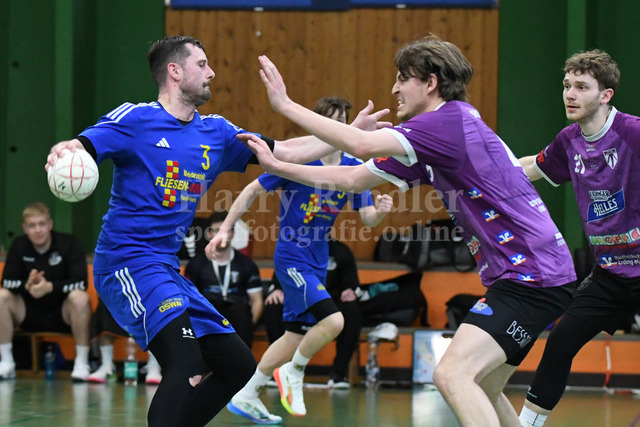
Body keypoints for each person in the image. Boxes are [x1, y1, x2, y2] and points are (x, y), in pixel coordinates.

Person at [44, 35, 389, 426]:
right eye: (202, 64)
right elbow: (84, 145)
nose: (211, 72)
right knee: (186, 362)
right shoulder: (135, 120)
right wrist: (67, 149)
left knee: (236, 365)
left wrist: (348, 133)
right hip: (128, 263)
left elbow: (285, 153)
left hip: (167, 270)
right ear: (175, 71)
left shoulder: (218, 132)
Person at [240, 35, 579, 426]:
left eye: (403, 78)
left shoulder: (444, 123)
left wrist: (285, 105)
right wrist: (279, 168)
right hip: (537, 274)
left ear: (431, 83)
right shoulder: (436, 138)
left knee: (452, 374)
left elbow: (360, 144)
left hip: (532, 275)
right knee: (483, 386)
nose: (394, 88)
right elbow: (353, 178)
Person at [210, 95, 393, 423]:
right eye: (329, 120)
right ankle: (294, 371)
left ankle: (247, 394)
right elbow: (251, 190)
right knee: (334, 321)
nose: (336, 127)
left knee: (294, 335)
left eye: (342, 121)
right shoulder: (299, 162)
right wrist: (225, 228)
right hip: (292, 257)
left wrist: (379, 212)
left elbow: (367, 217)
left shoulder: (353, 167)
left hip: (318, 260)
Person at [515, 50, 640, 427]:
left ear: (606, 95)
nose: (570, 94)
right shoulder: (569, 141)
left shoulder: (632, 133)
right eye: (567, 85)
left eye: (582, 87)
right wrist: (480, 170)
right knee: (560, 343)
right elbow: (532, 168)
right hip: (611, 275)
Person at [0, 202, 92, 381]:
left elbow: (81, 282)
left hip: (62, 313)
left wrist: (50, 287)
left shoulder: (69, 243)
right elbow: (6, 281)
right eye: (32, 226)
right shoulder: (19, 245)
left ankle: (82, 363)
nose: (38, 230)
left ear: (50, 224)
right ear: (25, 228)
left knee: (80, 298)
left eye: (42, 224)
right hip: (28, 313)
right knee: (2, 296)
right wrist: (27, 286)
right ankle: (6, 362)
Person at [261, 237, 365, 389]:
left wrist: (350, 291)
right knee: (273, 305)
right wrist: (277, 289)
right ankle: (278, 370)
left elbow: (353, 285)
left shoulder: (341, 251)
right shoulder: (293, 248)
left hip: (329, 306)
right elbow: (280, 278)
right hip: (298, 302)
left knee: (352, 311)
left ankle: (338, 375)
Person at [184, 211, 264, 349]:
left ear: (232, 233)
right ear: (209, 234)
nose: (221, 236)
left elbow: (257, 301)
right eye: (216, 231)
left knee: (241, 311)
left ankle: (242, 359)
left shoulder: (246, 265)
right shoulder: (196, 264)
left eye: (226, 230)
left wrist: (250, 325)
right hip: (209, 314)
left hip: (237, 314)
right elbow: (189, 299)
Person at [88, 299, 163, 384]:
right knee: (105, 302)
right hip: (122, 296)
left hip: (146, 295)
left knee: (155, 302)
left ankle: (154, 366)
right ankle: (107, 366)